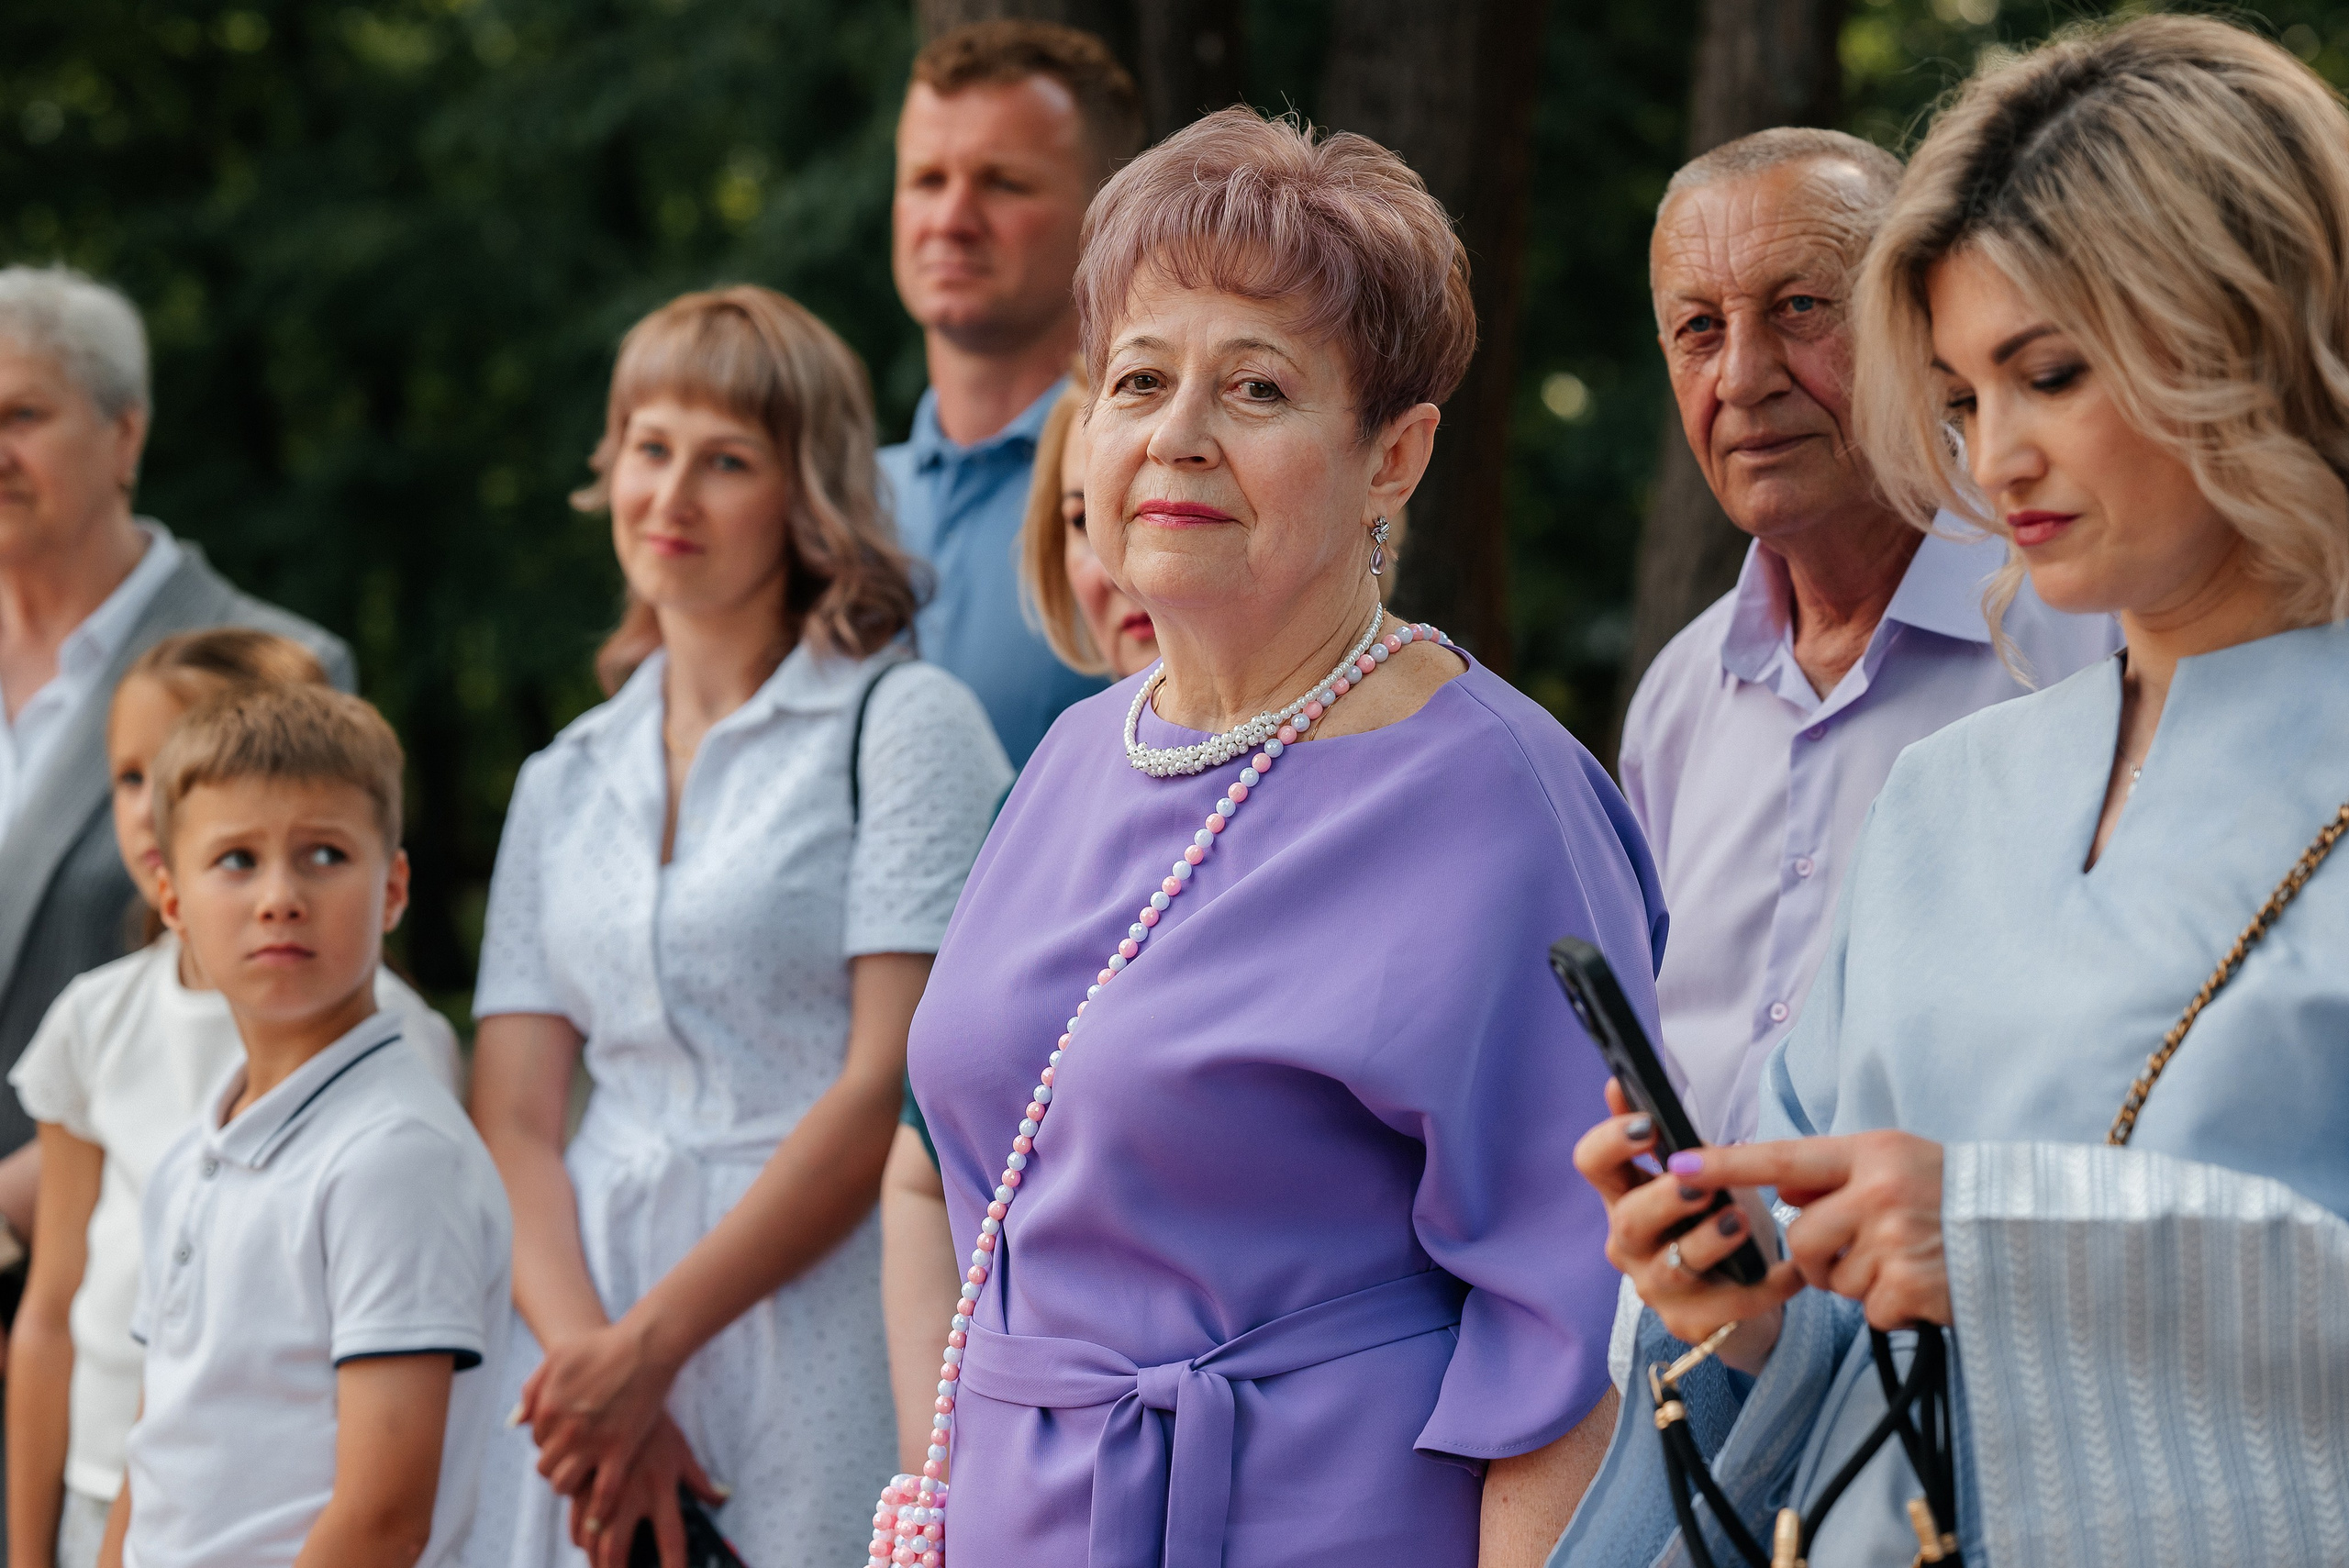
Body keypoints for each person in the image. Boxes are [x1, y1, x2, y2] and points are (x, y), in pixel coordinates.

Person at [1562, 17, 2349, 1566]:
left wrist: (2001, 1245)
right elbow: (1825, 1359)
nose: (1993, 459)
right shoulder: (1945, 793)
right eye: (1961, 395)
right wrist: (1732, 1300)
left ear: (2239, 330)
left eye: (2046, 374)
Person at [894, 107, 1660, 1568]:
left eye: (1255, 388)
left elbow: (1571, 1339)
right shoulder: (1071, 755)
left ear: (1395, 456)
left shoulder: (1499, 796)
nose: (1177, 435)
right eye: (1137, 379)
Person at [467, 285, 1009, 1568]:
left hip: (816, 1311)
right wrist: (595, 1368)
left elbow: (892, 1082)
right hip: (574, 1319)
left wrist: (653, 1348)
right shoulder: (563, 776)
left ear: (808, 492)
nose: (672, 495)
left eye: (726, 460)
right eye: (650, 448)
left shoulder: (904, 725)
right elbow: (518, 1117)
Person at [1620, 128, 2117, 1149]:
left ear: (1915, 327)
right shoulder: (1677, 701)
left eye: (1800, 308)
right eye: (1699, 329)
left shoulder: (2092, 633)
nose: (1746, 375)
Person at [7, 629, 461, 1568]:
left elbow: (385, 1497)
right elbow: (57, 1307)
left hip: (289, 1518)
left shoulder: (397, 1091)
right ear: (177, 892)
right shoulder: (109, 1032)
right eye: (130, 775)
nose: (149, 804)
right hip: (120, 1487)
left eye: (321, 851)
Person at [100, 683, 509, 1568]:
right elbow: (154, 1452)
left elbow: (383, 1517)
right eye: (237, 860)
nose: (280, 896)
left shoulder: (395, 1156)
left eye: (324, 853)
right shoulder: (194, 1153)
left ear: (394, 886)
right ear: (172, 901)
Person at [0, 264, 351, 1240]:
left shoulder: (278, 668)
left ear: (126, 434)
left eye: (22, 414)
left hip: (146, 1278)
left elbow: (282, 1023)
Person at [877, 369, 1158, 1466]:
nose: (1119, 560)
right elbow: (919, 1161)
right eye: (1082, 518)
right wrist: (935, 1465)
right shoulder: (1032, 797)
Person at [877, 20, 1148, 767]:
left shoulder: (1155, 486)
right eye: (927, 179)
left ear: (1108, 218)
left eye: (1003, 183)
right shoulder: (832, 501)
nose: (951, 220)